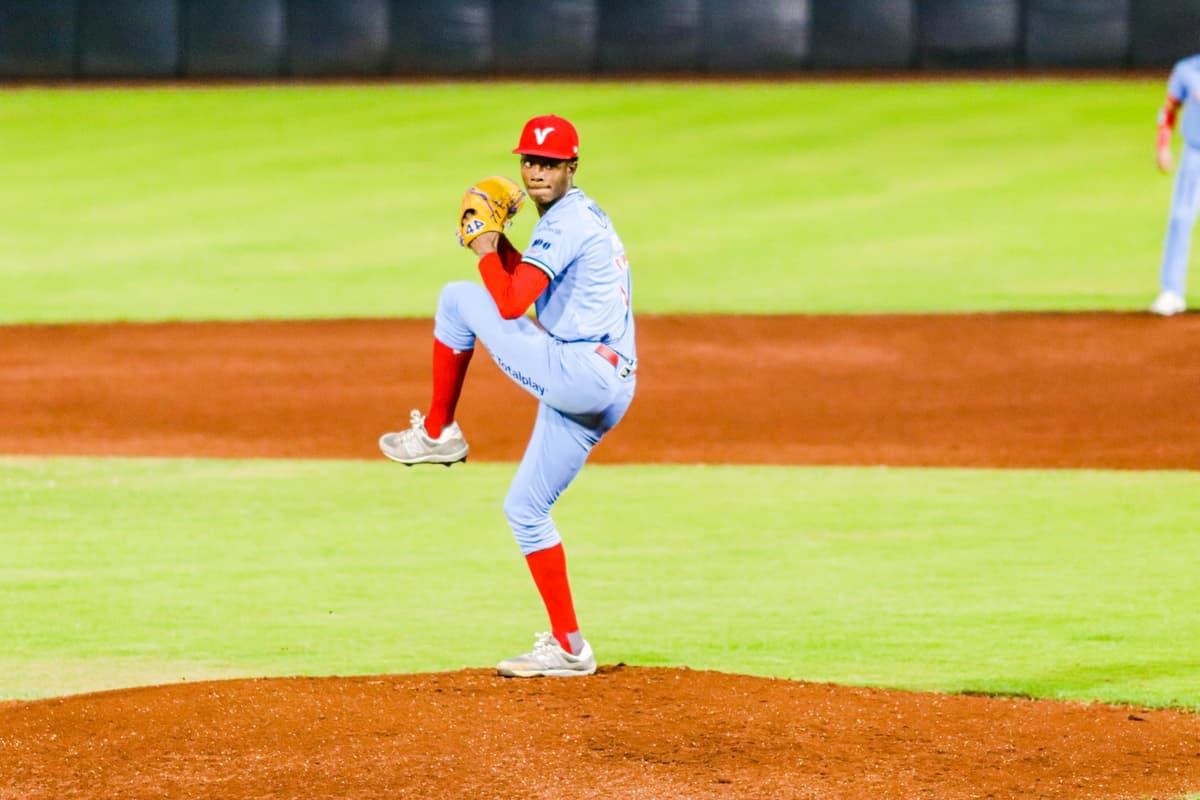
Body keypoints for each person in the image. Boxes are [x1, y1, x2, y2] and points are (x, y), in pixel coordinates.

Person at [378, 114, 637, 678]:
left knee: (456, 298)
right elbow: (534, 285)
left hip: (580, 371)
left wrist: (487, 245)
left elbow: (513, 303)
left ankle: (438, 432)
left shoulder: (565, 222)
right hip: (607, 385)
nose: (537, 172)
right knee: (525, 509)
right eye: (530, 162)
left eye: (549, 163)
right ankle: (570, 647)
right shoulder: (581, 215)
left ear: (572, 167)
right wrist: (502, 250)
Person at [1151, 55, 1200, 316]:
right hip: (1196, 154)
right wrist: (1162, 146)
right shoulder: (1187, 70)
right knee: (1181, 219)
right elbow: (1169, 109)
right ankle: (1172, 291)